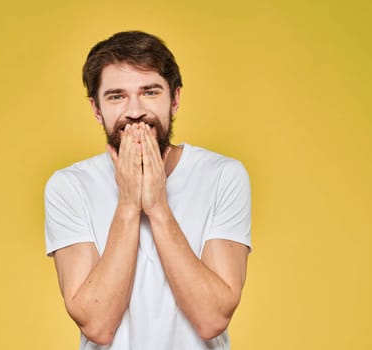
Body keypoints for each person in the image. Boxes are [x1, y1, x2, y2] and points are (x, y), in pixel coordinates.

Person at [44, 31, 252, 350]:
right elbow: (97, 324)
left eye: (150, 92)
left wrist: (157, 207)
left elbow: (212, 319)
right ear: (96, 108)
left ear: (175, 99)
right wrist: (128, 204)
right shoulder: (69, 187)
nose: (135, 111)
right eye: (116, 96)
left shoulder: (223, 176)